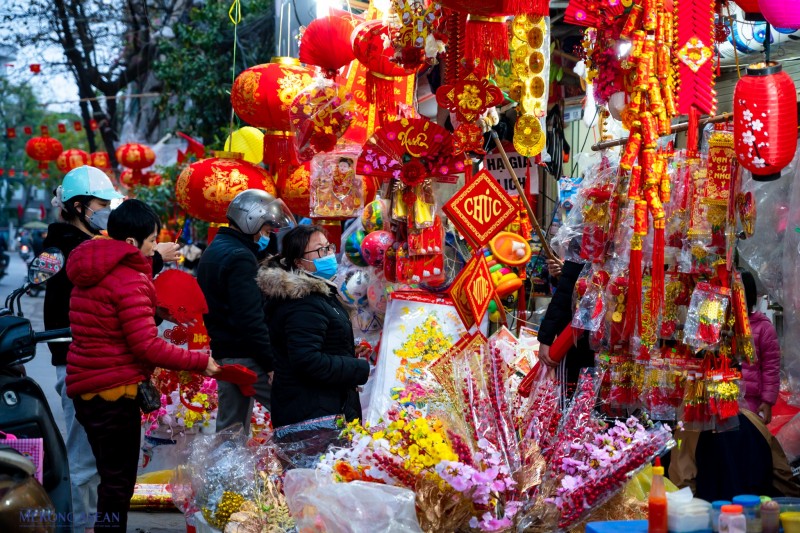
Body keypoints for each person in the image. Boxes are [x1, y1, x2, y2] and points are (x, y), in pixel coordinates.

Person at [66, 199, 220, 532]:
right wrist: (200, 362)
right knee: (118, 484)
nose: (155, 248)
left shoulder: (89, 270)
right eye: (152, 241)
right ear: (133, 243)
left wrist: (152, 312)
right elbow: (146, 346)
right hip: (113, 392)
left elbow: (107, 326)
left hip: (87, 386)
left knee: (109, 477)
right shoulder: (128, 279)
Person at [43, 166, 180, 532]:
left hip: (93, 368)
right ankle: (79, 525)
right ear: (76, 207)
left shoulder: (87, 248)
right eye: (100, 204)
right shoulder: (74, 251)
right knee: (89, 464)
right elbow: (131, 326)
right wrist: (152, 258)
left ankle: (90, 524)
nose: (106, 211)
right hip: (88, 368)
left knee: (104, 469)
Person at [197, 189, 295, 432]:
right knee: (294, 410)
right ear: (250, 220)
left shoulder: (219, 248)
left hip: (227, 352)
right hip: (246, 356)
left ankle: (225, 471)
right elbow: (250, 319)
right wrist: (270, 363)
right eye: (265, 230)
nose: (266, 236)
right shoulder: (240, 257)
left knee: (231, 430)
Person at [257, 225, 370, 429]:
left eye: (329, 247)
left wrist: (347, 350)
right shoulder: (302, 302)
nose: (329, 254)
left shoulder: (320, 294)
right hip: (313, 414)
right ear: (299, 262)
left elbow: (315, 342)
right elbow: (306, 359)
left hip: (326, 406)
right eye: (320, 250)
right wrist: (357, 368)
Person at [740, 270, 780, 425]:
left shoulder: (764, 328)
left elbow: (771, 367)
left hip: (751, 403)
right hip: (722, 400)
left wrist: (767, 401)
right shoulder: (722, 326)